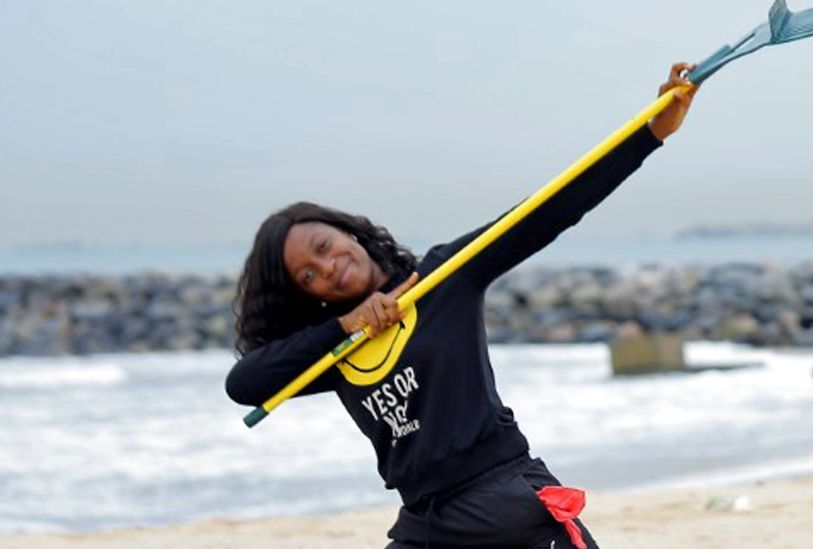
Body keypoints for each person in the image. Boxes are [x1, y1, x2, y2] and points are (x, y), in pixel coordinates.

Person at [226, 62, 699, 548]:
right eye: (308, 275)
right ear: (312, 295)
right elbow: (244, 384)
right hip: (426, 523)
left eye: (324, 247)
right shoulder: (337, 350)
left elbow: (550, 208)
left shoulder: (443, 279)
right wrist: (345, 326)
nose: (326, 267)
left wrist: (651, 132)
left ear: (349, 233)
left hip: (506, 501)